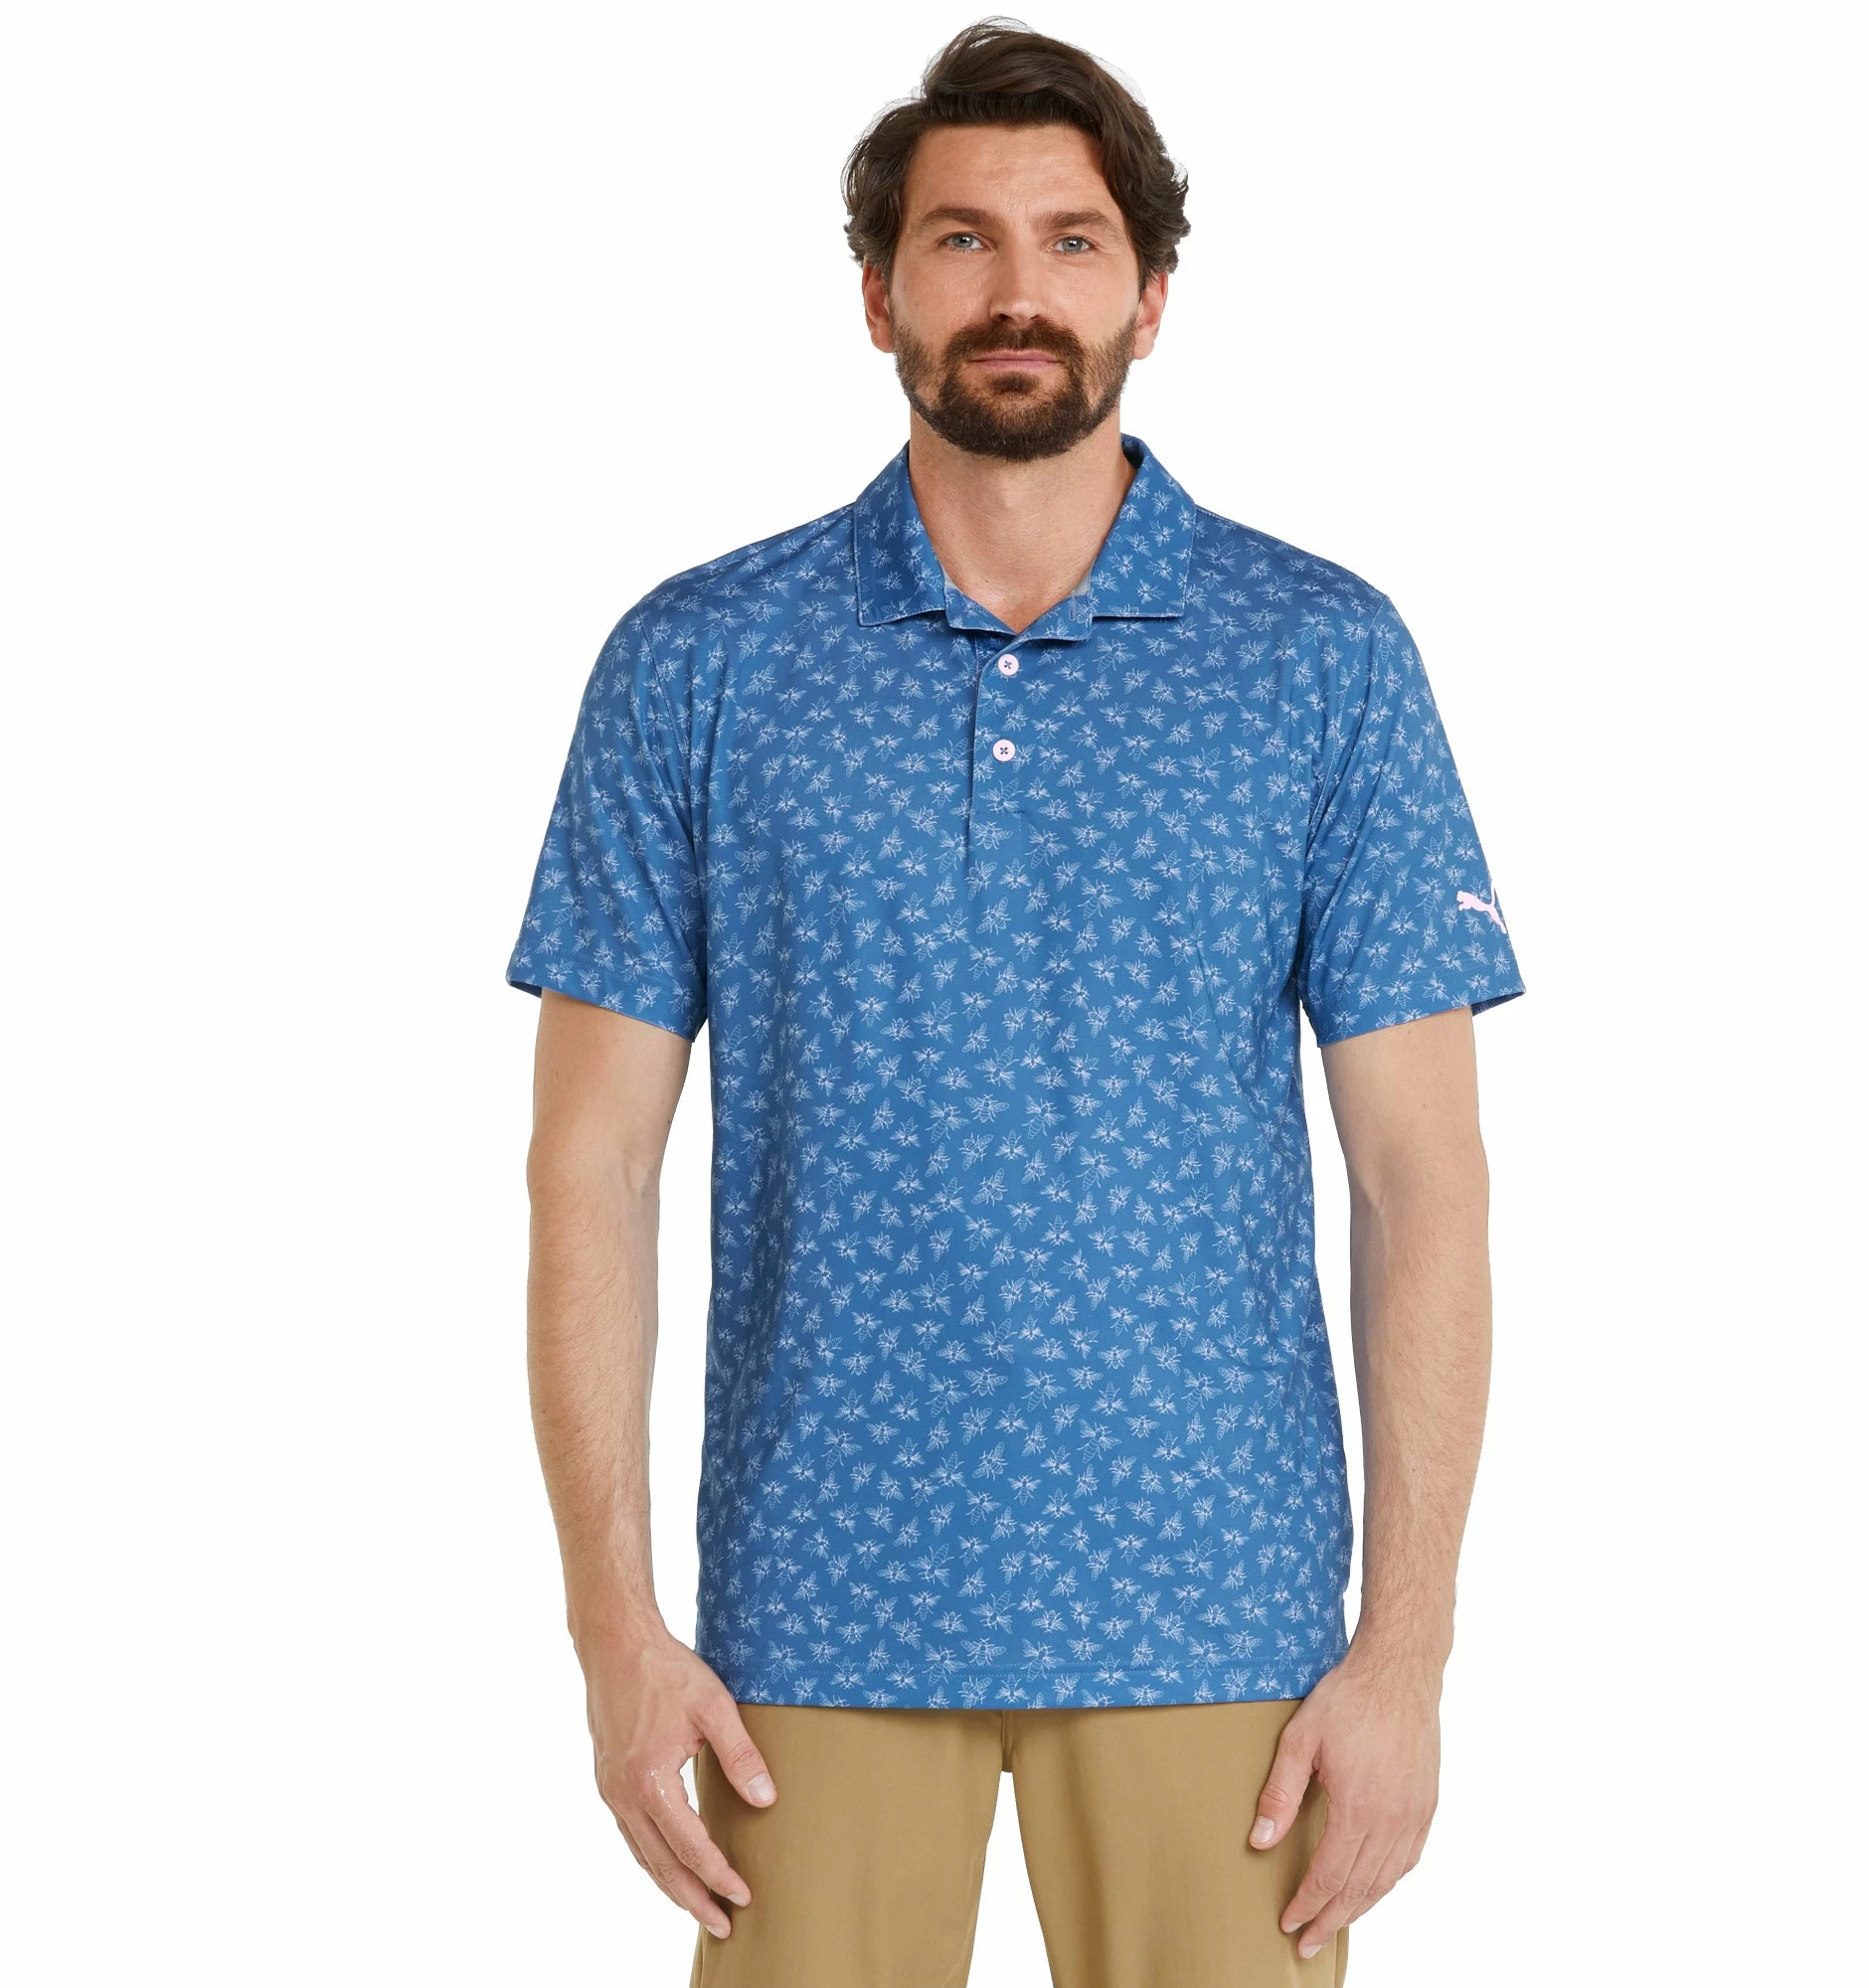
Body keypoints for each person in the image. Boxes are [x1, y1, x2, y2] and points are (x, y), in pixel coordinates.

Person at [506, 20, 1523, 1986]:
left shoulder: (1320, 659)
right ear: (877, 291)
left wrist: (1406, 1653)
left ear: (1151, 294)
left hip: (1219, 1613)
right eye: (960, 238)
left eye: (1071, 240)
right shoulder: (699, 661)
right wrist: (613, 1634)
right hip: (810, 1609)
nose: (1016, 290)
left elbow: (1423, 1183)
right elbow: (587, 1168)